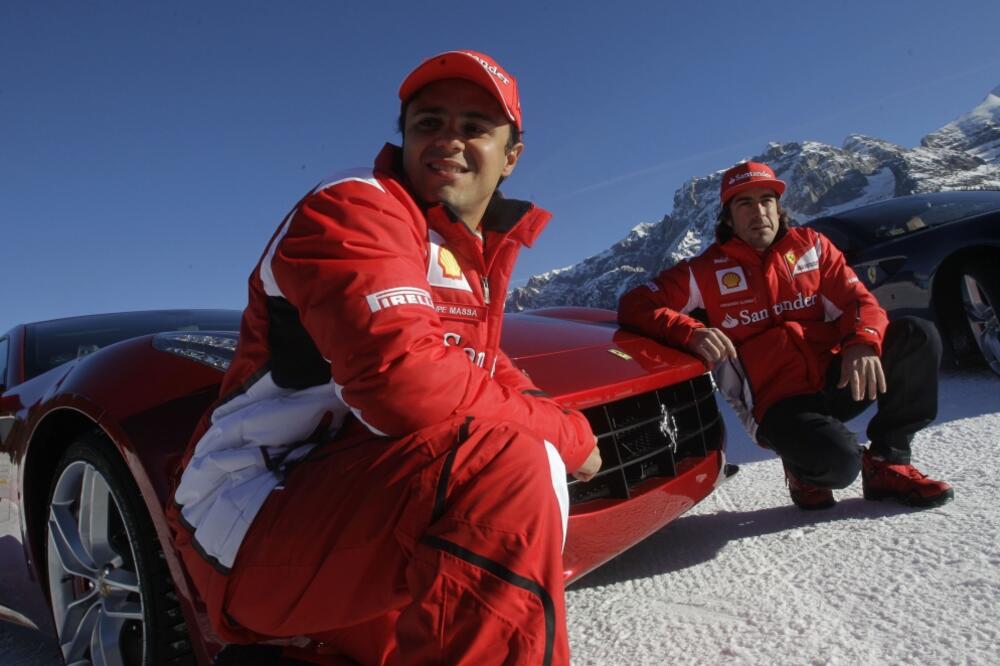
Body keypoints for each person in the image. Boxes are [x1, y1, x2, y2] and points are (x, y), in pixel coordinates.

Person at [168, 50, 601, 665]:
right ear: (404, 138)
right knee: (504, 467)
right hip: (252, 510)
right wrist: (569, 439)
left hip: (352, 489)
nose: (449, 139)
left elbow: (483, 365)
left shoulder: (463, 248)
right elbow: (405, 384)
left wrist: (553, 415)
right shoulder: (355, 206)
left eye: (474, 126)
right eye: (429, 122)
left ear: (511, 156)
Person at [618, 161, 953, 511]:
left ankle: (888, 462)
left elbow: (858, 301)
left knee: (915, 334)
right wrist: (690, 331)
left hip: (834, 378)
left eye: (767, 200)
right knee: (840, 465)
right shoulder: (702, 272)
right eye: (745, 203)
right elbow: (636, 304)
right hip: (775, 402)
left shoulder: (812, 247)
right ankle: (802, 468)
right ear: (728, 218)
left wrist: (862, 342)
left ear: (779, 208)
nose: (759, 212)